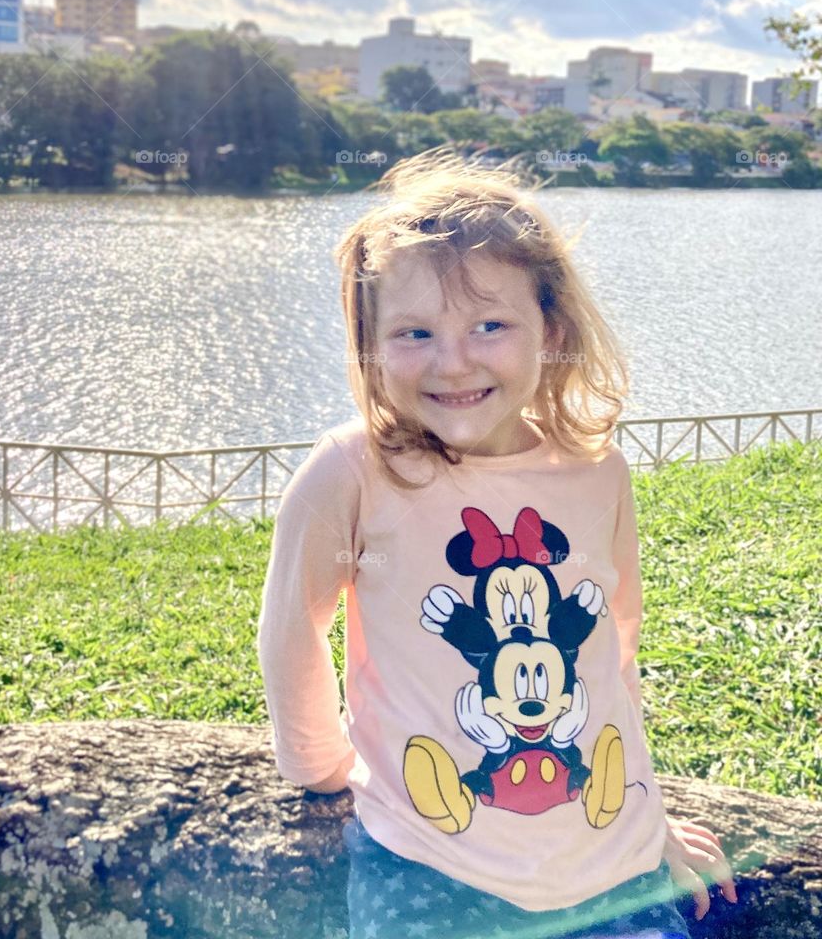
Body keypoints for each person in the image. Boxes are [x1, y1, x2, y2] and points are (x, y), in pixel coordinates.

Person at [256, 147, 738, 939]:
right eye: (414, 332)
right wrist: (318, 767)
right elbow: (292, 626)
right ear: (370, 342)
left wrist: (646, 824)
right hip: (427, 866)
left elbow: (611, 654)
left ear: (550, 328)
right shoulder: (351, 473)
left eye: (490, 324)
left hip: (610, 869)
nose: (453, 362)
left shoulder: (597, 470)